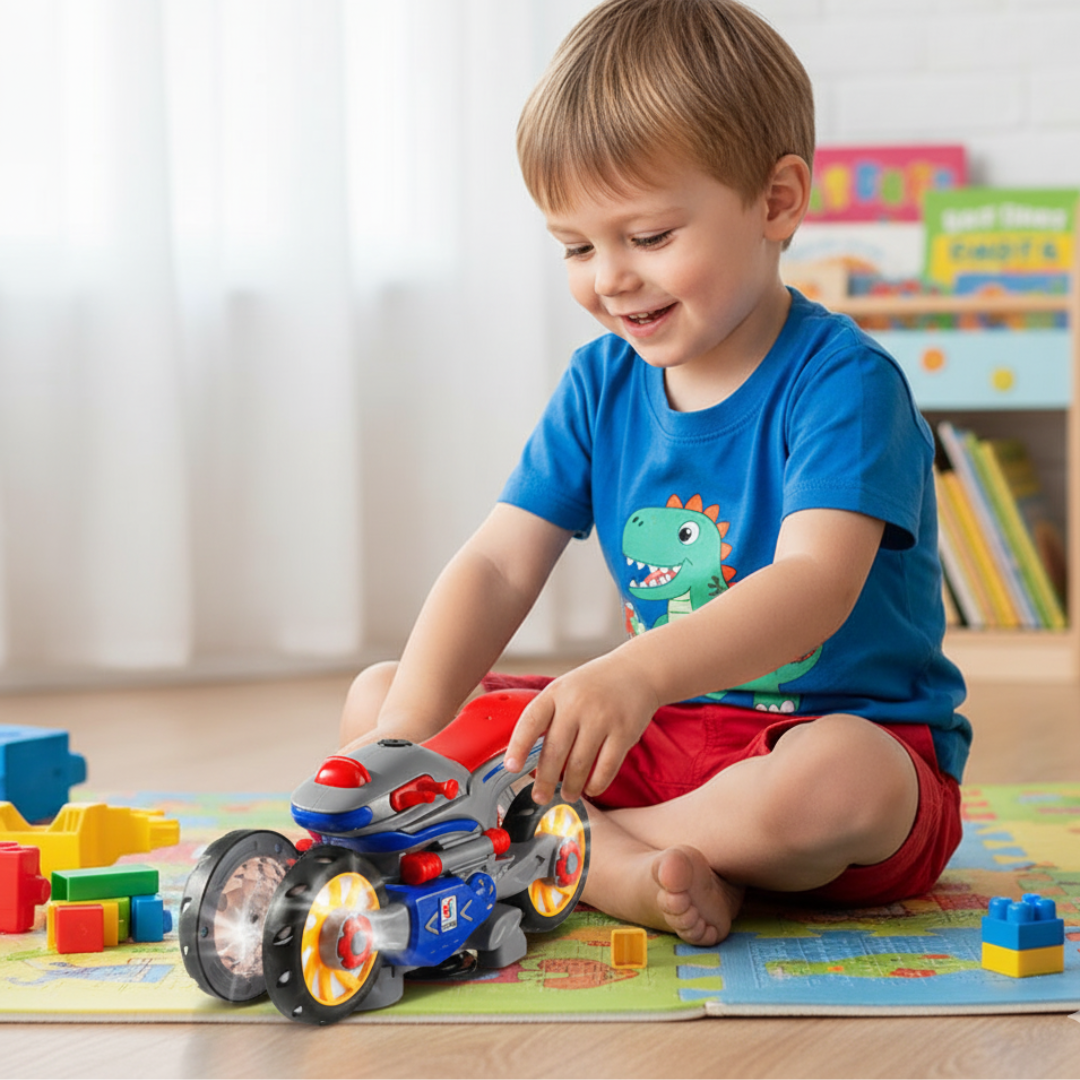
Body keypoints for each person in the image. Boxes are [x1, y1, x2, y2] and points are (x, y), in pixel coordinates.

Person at [339, 0, 970, 946]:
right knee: (381, 688)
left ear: (777, 201)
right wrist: (403, 736)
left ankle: (575, 854)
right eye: (576, 247)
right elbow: (503, 564)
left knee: (841, 779)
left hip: (817, 743)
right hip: (661, 737)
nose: (611, 279)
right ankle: (607, 858)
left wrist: (630, 673)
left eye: (648, 237)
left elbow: (811, 587)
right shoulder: (602, 382)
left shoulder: (845, 383)